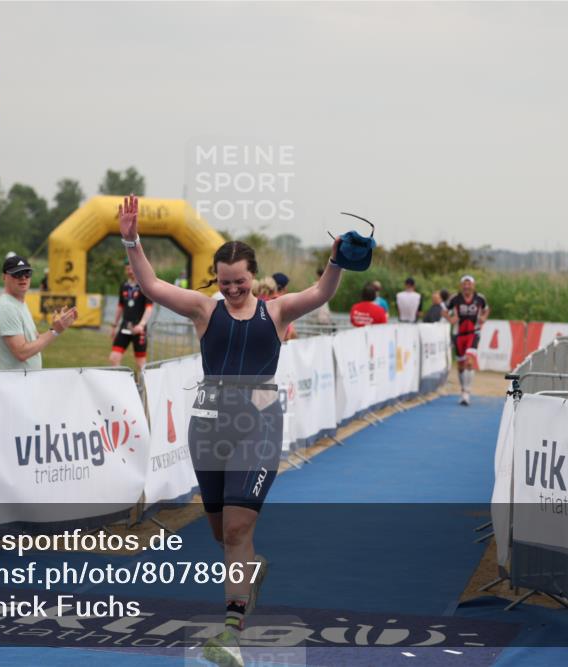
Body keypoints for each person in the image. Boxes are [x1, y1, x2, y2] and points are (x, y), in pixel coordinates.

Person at [118, 194, 344, 666]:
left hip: (258, 426)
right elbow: (152, 285)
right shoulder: (205, 310)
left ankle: (230, 634)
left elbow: (321, 293)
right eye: (225, 283)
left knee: (240, 527)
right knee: (223, 535)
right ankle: (251, 568)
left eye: (240, 281)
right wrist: (132, 241)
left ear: (253, 277)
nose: (233, 289)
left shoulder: (277, 312)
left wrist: (336, 260)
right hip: (208, 428)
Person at [0, 255, 76, 370]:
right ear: (4, 277)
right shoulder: (6, 307)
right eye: (17, 274)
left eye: (27, 273)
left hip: (22, 379)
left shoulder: (19, 304)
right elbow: (21, 352)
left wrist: (58, 326)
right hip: (12, 380)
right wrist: (55, 331)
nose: (23, 278)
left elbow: (35, 340)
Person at [444, 275, 489, 406]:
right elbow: (444, 311)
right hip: (458, 334)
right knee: (460, 365)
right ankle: (463, 389)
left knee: (469, 361)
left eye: (469, 284)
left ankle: (466, 392)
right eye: (464, 284)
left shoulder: (480, 298)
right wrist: (450, 319)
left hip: (474, 333)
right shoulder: (455, 298)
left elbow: (486, 309)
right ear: (461, 285)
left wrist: (483, 317)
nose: (467, 286)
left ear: (473, 285)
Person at [109, 260, 153, 369]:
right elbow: (120, 307)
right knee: (114, 358)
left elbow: (149, 308)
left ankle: (142, 380)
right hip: (125, 326)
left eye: (132, 268)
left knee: (140, 363)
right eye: (128, 269)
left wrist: (141, 325)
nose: (130, 271)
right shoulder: (124, 286)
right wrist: (114, 325)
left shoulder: (145, 286)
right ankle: (120, 379)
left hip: (139, 329)